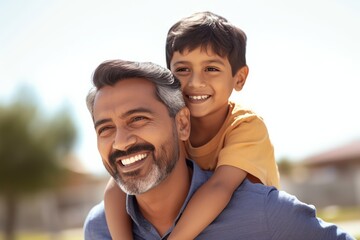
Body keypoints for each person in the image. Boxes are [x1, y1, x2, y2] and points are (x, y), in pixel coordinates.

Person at [83, 59, 354, 240]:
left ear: (182, 124)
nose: (120, 141)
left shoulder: (265, 213)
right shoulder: (99, 228)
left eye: (138, 119)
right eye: (104, 128)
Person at [104, 11, 280, 240]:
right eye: (183, 70)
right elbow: (116, 187)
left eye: (211, 69)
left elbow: (220, 188)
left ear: (239, 78)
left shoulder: (245, 126)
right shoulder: (169, 125)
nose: (196, 82)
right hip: (192, 222)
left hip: (249, 224)